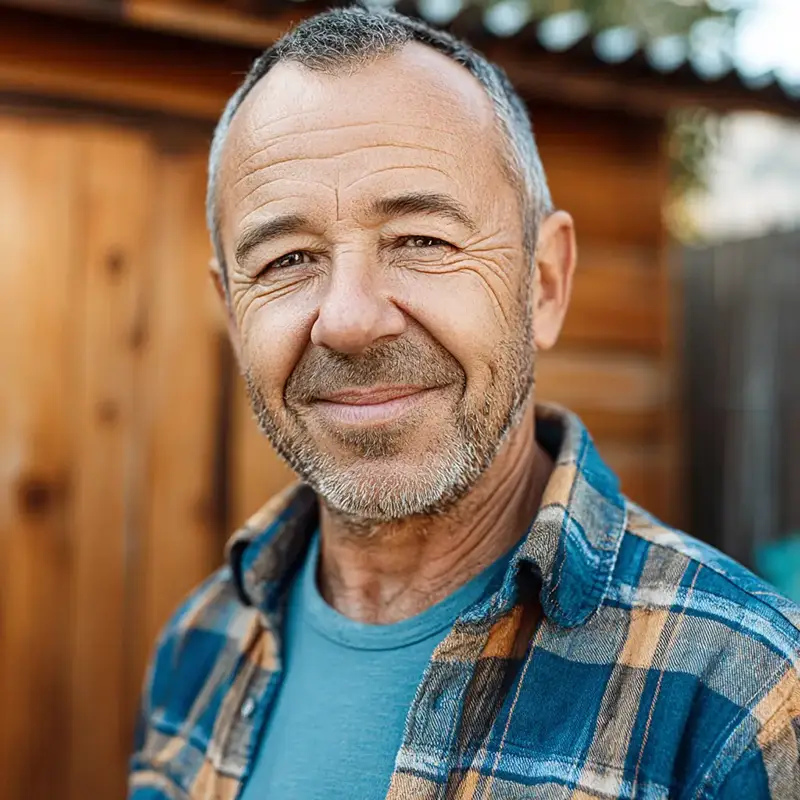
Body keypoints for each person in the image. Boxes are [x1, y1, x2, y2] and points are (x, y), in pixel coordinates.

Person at [129, 7, 800, 799]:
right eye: (287, 258)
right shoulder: (197, 646)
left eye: (423, 242)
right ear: (233, 309)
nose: (348, 320)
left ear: (543, 282)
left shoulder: (745, 693)